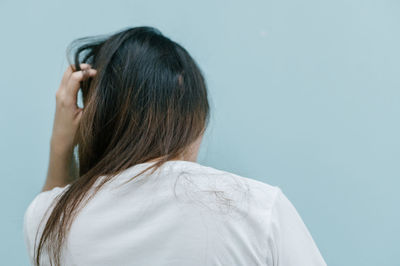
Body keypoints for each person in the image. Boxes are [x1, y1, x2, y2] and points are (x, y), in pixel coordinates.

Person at [23, 26, 327, 266]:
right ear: (193, 118)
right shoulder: (259, 208)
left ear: (94, 118)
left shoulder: (46, 222)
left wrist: (61, 145)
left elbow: (52, 215)